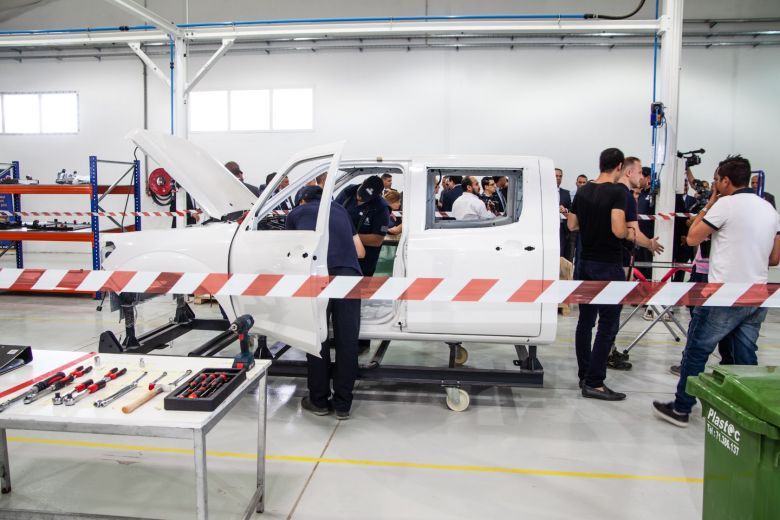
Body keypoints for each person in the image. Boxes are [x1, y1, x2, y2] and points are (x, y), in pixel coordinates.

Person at [653, 155, 780, 427]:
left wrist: (709, 204)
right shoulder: (769, 208)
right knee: (744, 355)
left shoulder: (725, 205)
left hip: (724, 293)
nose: (714, 185)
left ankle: (682, 407)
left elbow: (693, 238)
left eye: (716, 180)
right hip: (757, 293)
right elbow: (774, 259)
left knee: (697, 351)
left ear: (725, 180)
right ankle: (750, 410)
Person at [286, 185, 365, 420]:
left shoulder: (296, 214)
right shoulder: (341, 210)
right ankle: (343, 405)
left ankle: (319, 400)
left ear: (301, 201)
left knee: (317, 337)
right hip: (349, 277)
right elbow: (360, 252)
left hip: (316, 277)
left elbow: (290, 253)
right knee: (347, 341)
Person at [567, 148, 632, 401]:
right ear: (618, 167)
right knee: (607, 325)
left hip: (584, 263)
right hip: (608, 265)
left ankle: (585, 375)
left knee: (585, 321)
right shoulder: (618, 192)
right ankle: (595, 382)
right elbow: (618, 229)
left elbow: (572, 225)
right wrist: (629, 233)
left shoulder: (583, 191)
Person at [607, 157, 664, 371]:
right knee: (612, 311)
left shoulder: (610, 192)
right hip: (618, 259)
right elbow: (631, 232)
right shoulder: (626, 197)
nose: (643, 177)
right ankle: (608, 352)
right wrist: (649, 244)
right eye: (640, 172)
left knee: (601, 312)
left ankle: (607, 349)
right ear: (629, 172)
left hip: (604, 258)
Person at [348, 175, 390, 277]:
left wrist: (348, 237)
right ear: (362, 183)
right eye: (360, 193)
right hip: (342, 256)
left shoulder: (382, 208)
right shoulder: (348, 192)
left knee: (358, 290)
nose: (360, 198)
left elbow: (377, 240)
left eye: (365, 197)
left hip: (364, 262)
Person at [556, 168, 572, 259]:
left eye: (560, 176)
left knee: (561, 253)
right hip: (548, 227)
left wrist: (565, 210)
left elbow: (570, 210)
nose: (558, 178)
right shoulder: (544, 192)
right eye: (556, 176)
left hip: (562, 227)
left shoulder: (566, 193)